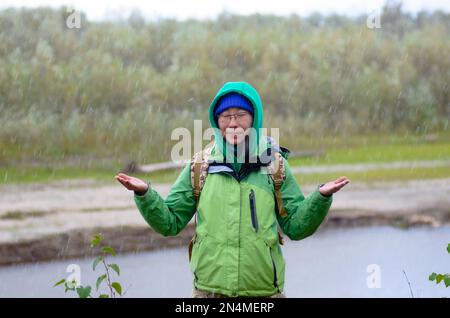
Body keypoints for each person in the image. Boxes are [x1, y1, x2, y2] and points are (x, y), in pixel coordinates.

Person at [115, 81, 350, 298]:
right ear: (216, 122)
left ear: (254, 118)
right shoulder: (200, 166)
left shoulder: (275, 165)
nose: (233, 123)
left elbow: (296, 227)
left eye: (241, 115)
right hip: (208, 292)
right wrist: (145, 194)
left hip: (264, 293)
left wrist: (320, 198)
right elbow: (170, 222)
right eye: (225, 116)